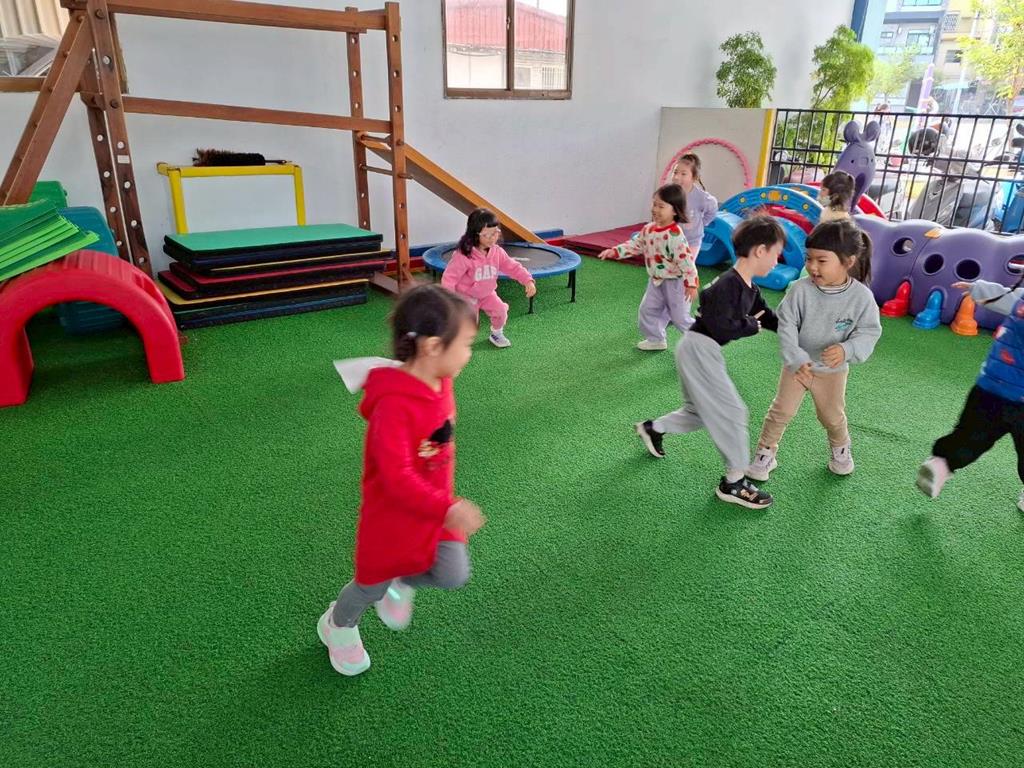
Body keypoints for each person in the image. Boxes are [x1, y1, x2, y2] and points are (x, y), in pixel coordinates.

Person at [321, 284, 486, 676]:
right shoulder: (393, 407)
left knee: (452, 573)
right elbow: (396, 478)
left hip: (433, 510)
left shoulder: (442, 380)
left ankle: (403, 579)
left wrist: (442, 505)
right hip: (393, 519)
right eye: (465, 344)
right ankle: (338, 625)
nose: (469, 353)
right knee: (370, 587)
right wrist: (447, 507)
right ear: (432, 347)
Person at [633, 215, 785, 509]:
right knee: (733, 411)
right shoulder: (728, 284)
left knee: (700, 411)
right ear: (759, 251)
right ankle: (733, 482)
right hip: (699, 348)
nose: (777, 261)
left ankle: (654, 428)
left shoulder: (749, 288)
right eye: (776, 254)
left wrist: (795, 331)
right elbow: (720, 323)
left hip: (699, 348)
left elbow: (766, 317)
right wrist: (749, 326)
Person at [747, 219, 881, 481]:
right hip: (797, 367)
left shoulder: (862, 298)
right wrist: (795, 356)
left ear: (848, 262)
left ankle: (841, 449)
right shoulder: (800, 290)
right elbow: (786, 324)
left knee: (831, 416)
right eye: (809, 259)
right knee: (781, 411)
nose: (812, 267)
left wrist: (847, 349)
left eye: (822, 260)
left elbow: (869, 332)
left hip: (832, 371)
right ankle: (765, 453)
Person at [917, 274, 1024, 513]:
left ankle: (942, 464)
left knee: (971, 435)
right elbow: (1007, 296)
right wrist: (980, 289)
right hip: (1007, 394)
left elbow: (1006, 296)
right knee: (972, 434)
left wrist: (979, 289)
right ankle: (942, 464)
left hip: (991, 385)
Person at [598, 183, 698, 350]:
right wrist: (615, 251)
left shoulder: (675, 236)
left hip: (676, 283)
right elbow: (635, 245)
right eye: (654, 204)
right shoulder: (648, 229)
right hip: (656, 281)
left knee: (679, 318)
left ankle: (702, 341)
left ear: (675, 211)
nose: (655, 209)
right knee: (647, 310)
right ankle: (656, 339)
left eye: (661, 206)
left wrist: (691, 283)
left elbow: (686, 261)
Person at [442, 207, 536, 348]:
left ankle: (496, 333)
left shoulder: (497, 252)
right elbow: (449, 278)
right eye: (487, 234)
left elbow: (513, 267)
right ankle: (454, 338)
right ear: (475, 235)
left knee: (501, 311)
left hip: (487, 294)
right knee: (469, 324)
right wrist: (448, 299)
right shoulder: (464, 255)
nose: (493, 238)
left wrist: (527, 280)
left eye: (495, 233)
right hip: (466, 296)